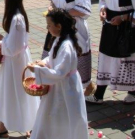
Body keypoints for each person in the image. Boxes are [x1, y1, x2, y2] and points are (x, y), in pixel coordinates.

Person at [0, 0, 39, 138]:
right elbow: (13, 42)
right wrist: (0, 42)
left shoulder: (17, 19)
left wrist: (1, 40)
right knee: (8, 93)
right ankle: (2, 128)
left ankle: (33, 125)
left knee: (17, 93)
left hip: (16, 62)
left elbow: (14, 48)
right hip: (14, 61)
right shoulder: (15, 16)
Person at [28, 9, 89, 139]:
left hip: (66, 87)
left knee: (64, 115)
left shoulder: (66, 46)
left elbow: (60, 72)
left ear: (59, 26)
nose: (47, 28)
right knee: (52, 113)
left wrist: (37, 71)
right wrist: (43, 62)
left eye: (49, 25)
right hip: (58, 85)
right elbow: (52, 58)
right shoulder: (58, 39)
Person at [45, 0, 93, 94]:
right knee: (55, 53)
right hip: (56, 27)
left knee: (73, 55)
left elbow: (83, 10)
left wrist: (62, 14)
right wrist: (51, 8)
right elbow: (52, 0)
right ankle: (57, 82)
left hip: (74, 28)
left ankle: (82, 86)